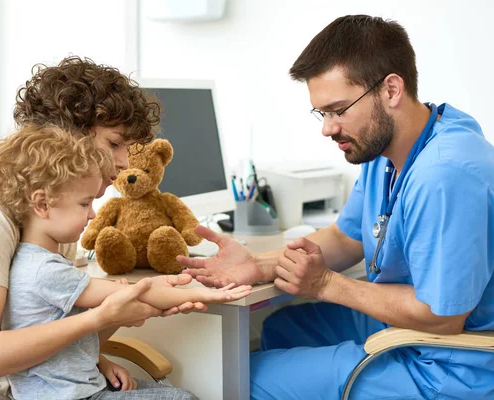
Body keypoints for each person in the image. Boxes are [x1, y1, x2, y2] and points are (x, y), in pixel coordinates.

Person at [178, 15, 494, 399]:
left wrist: (325, 284)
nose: (327, 128)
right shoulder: (392, 146)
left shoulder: (445, 175)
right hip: (416, 328)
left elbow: (441, 316)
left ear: (391, 89)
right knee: (280, 330)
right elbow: (346, 237)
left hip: (448, 362)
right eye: (321, 113)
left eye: (338, 109)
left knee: (242, 378)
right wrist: (257, 264)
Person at [0, 56, 207, 399]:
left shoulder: (59, 213)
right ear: (67, 134)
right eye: (114, 143)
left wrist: (118, 318)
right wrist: (98, 319)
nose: (125, 162)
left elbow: (51, 329)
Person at [0, 125, 251, 399]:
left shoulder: (38, 261)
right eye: (84, 204)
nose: (93, 215)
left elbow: (74, 339)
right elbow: (136, 293)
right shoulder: (44, 271)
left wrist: (116, 326)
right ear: (42, 205)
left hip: (82, 387)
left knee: (169, 393)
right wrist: (206, 293)